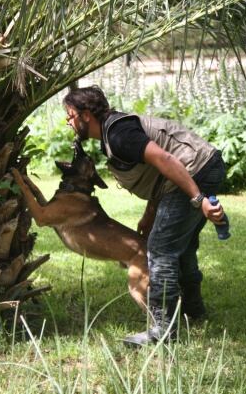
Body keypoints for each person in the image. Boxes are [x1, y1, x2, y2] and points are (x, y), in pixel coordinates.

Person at [62, 85, 227, 347]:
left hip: (195, 171)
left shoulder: (119, 135)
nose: (68, 121)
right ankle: (193, 311)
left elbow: (165, 160)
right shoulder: (111, 133)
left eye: (70, 115)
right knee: (180, 248)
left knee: (160, 250)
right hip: (202, 167)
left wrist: (198, 199)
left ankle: (163, 330)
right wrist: (151, 213)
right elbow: (158, 174)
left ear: (85, 115)